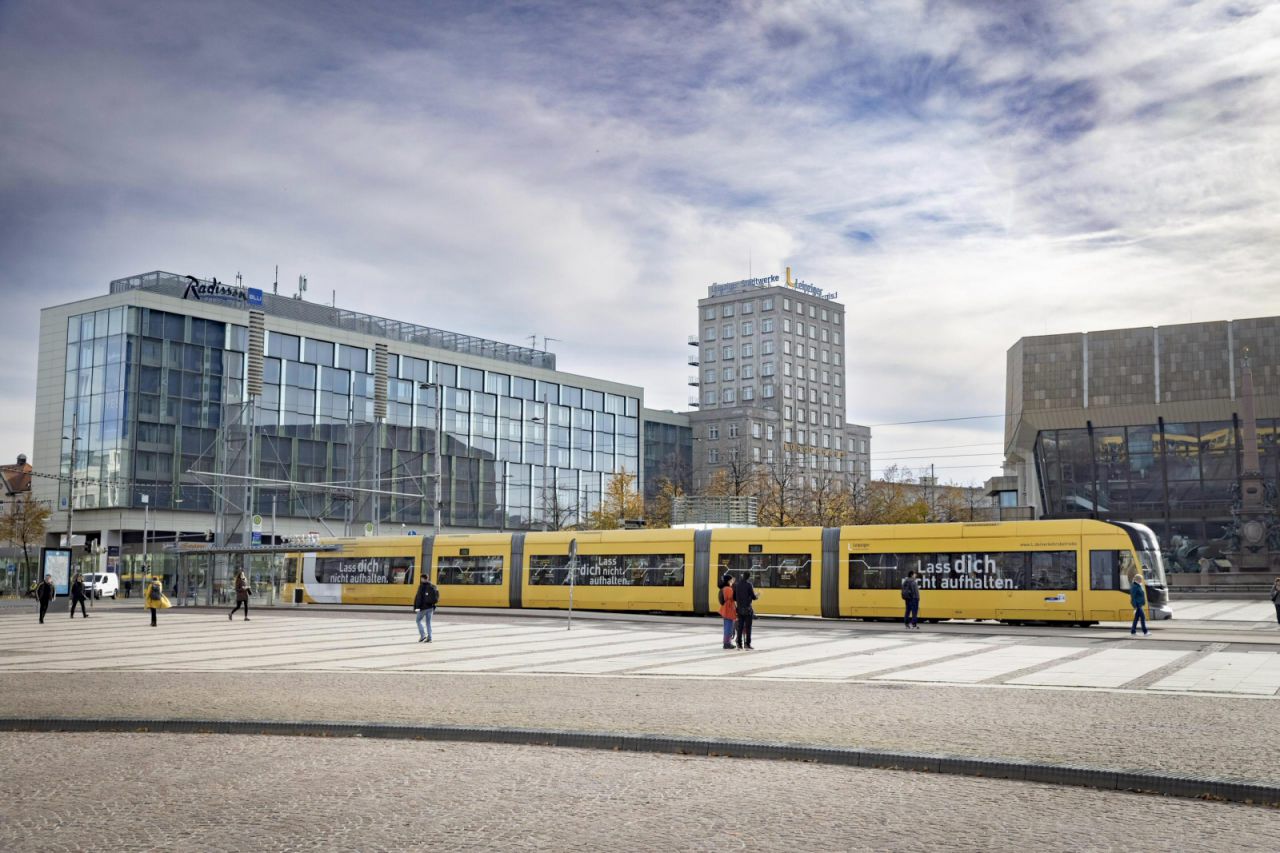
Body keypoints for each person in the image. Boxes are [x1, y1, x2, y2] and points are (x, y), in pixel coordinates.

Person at [735, 572, 758, 650]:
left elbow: (734, 597)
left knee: (740, 627)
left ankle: (739, 644)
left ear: (742, 576)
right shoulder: (749, 585)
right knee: (748, 628)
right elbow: (753, 597)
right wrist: (756, 596)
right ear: (748, 577)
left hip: (739, 609)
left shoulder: (737, 585)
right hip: (747, 610)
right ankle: (747, 644)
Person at [413, 574, 439, 642]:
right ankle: (430, 638)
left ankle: (423, 635)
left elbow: (419, 598)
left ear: (423, 579)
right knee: (428, 623)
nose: (421, 580)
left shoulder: (421, 586)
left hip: (423, 608)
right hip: (431, 607)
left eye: (421, 579)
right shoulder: (433, 586)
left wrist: (416, 607)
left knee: (418, 620)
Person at [718, 574, 737, 649]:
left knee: (727, 627)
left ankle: (727, 642)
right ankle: (727, 643)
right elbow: (733, 597)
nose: (732, 581)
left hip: (726, 609)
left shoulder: (725, 588)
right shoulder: (728, 589)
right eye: (731, 580)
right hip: (728, 609)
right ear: (728, 581)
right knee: (729, 628)